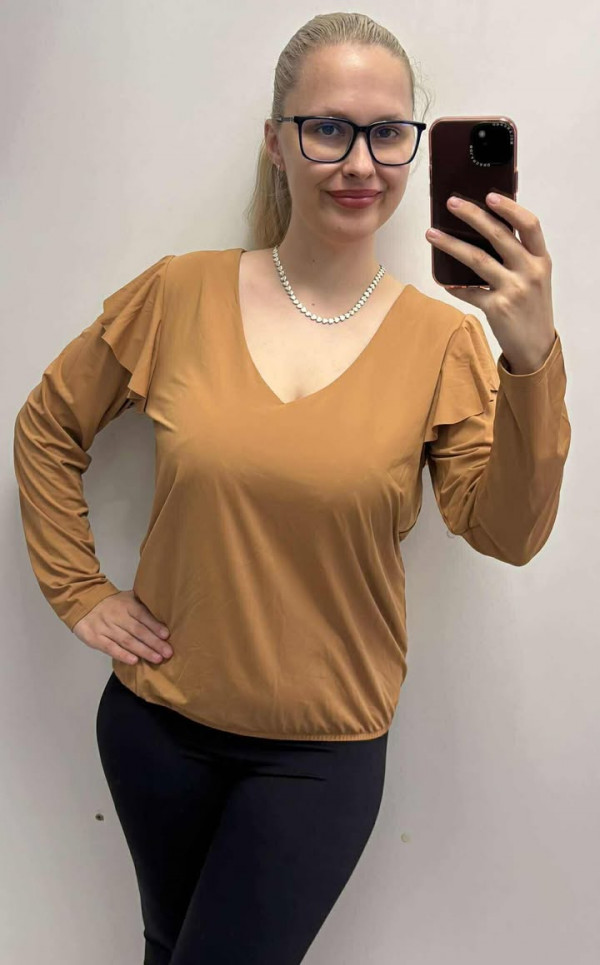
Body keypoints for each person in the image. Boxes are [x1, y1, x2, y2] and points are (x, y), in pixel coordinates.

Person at [12, 12, 571, 965]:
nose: (360, 163)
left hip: (321, 753)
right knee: (165, 946)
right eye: (328, 128)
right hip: (155, 727)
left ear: (413, 146)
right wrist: (79, 589)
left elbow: (508, 532)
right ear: (276, 141)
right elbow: (47, 426)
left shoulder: (444, 342)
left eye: (387, 133)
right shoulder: (178, 293)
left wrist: (530, 359)